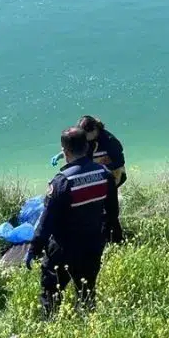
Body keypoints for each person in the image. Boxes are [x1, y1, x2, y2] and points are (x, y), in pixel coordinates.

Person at [27, 127, 121, 317]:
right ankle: (88, 324)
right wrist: (108, 234)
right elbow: (112, 211)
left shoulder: (62, 182)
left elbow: (46, 222)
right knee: (86, 290)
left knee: (51, 292)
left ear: (65, 151)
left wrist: (34, 249)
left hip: (63, 248)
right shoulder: (105, 174)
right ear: (87, 147)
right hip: (93, 244)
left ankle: (50, 325)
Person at [78, 115, 128, 189]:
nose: (83, 137)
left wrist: (99, 169)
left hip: (114, 175)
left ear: (94, 130)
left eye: (85, 134)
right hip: (96, 175)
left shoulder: (110, 141)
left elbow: (119, 163)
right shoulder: (87, 140)